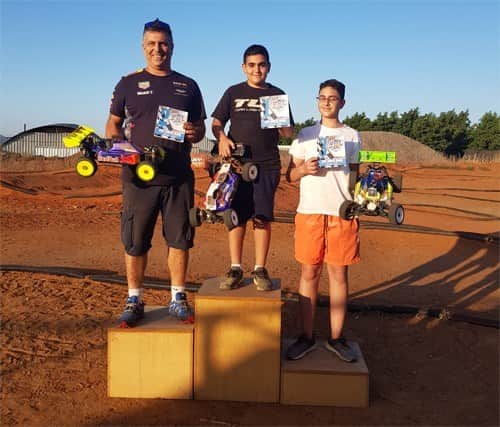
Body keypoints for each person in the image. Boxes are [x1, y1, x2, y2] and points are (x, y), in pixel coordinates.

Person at [105, 19, 206, 327]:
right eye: (151, 43)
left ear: (172, 47)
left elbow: (200, 128)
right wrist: (120, 147)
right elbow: (112, 124)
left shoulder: (188, 85)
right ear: (143, 46)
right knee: (135, 241)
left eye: (163, 43)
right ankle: (134, 299)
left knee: (180, 240)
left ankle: (178, 298)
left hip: (178, 177)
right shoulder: (127, 83)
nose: (157, 49)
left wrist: (195, 132)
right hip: (139, 178)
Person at [285, 79, 361, 362]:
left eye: (332, 98)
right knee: (309, 273)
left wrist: (363, 197)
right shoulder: (305, 135)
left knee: (339, 275)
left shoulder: (352, 135)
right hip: (310, 213)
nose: (326, 102)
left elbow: (354, 175)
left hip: (341, 213)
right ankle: (306, 337)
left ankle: (336, 338)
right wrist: (304, 169)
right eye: (322, 97)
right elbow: (289, 176)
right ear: (317, 100)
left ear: (342, 103)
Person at [211, 44, 294, 291]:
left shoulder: (277, 94)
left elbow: (288, 133)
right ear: (244, 67)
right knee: (236, 215)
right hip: (238, 165)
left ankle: (259, 269)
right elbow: (216, 122)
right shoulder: (233, 92)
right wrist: (222, 138)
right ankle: (235, 268)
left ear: (268, 66)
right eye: (252, 65)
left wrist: (281, 121)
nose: (257, 70)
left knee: (261, 216)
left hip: (267, 165)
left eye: (262, 65)